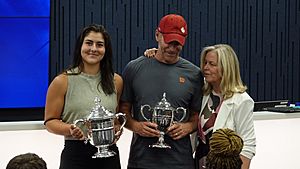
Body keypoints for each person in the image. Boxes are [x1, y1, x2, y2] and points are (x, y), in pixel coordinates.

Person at [119, 14, 204, 169]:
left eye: (177, 43)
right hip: (142, 161)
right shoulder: (134, 69)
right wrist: (137, 126)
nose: (172, 48)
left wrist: (188, 127)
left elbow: (196, 116)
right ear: (157, 35)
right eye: (168, 41)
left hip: (181, 162)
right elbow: (123, 111)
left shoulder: (194, 74)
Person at [44, 24, 123, 169]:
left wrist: (117, 128)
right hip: (75, 155)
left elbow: (115, 119)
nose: (93, 49)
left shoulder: (116, 81)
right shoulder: (62, 81)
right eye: (89, 43)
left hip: (109, 154)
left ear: (106, 50)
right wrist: (70, 129)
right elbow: (50, 122)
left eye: (99, 45)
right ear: (80, 46)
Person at [194, 44, 256, 169]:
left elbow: (248, 145)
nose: (205, 68)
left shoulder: (242, 100)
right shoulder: (202, 93)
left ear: (226, 68)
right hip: (200, 160)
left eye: (212, 64)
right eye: (205, 63)